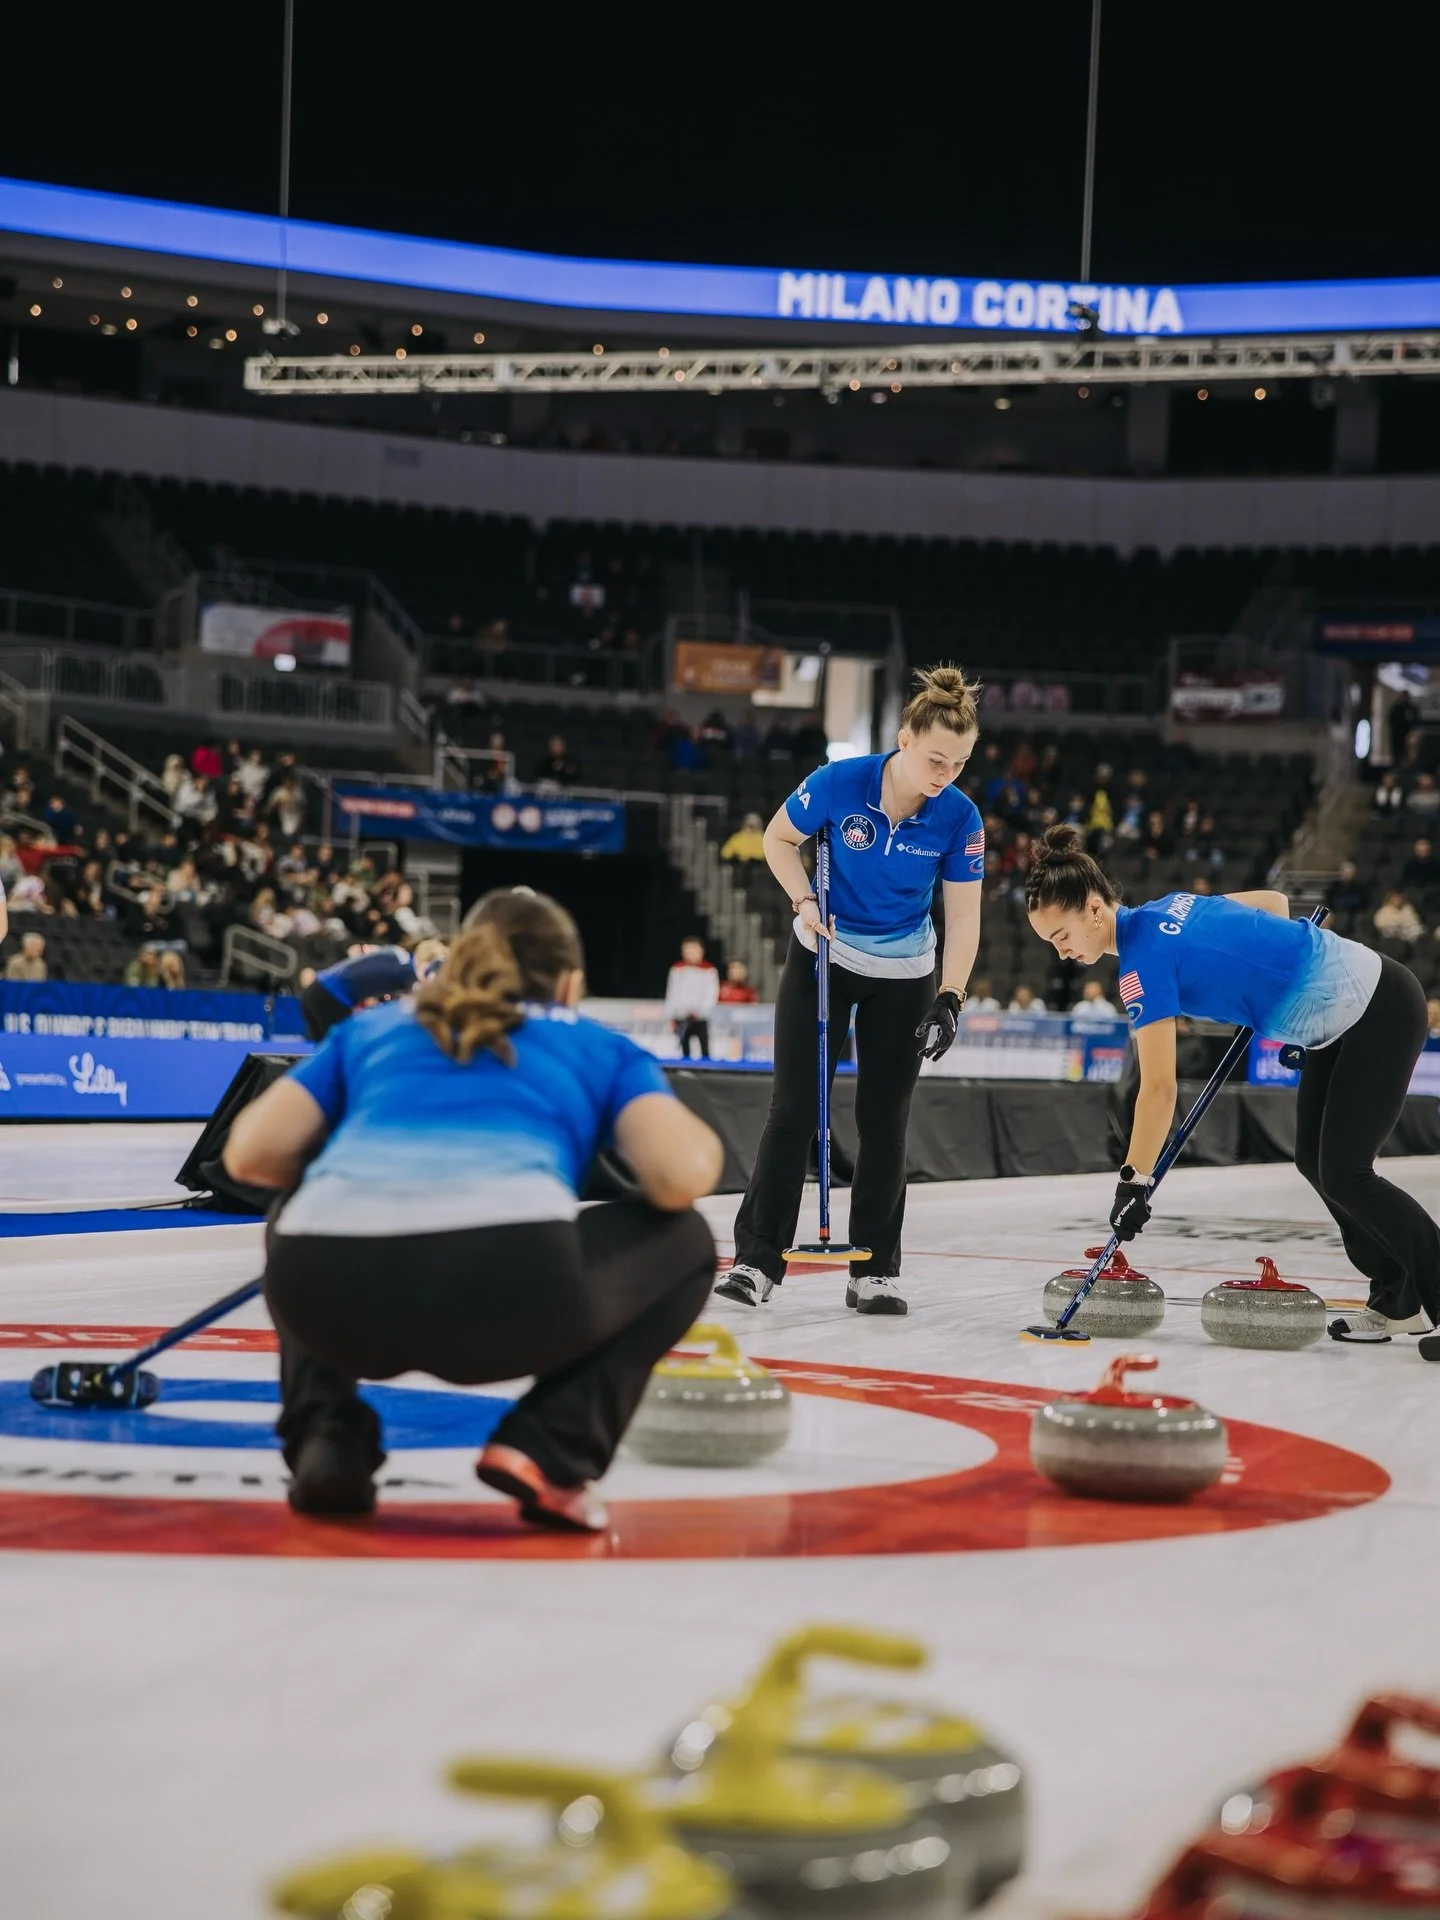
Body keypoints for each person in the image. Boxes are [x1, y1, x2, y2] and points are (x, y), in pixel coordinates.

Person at [221, 888, 723, 1523]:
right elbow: (679, 1178)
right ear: (570, 984)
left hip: (330, 1303)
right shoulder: (594, 1044)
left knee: (301, 1201)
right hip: (505, 1303)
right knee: (688, 1242)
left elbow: (250, 1155)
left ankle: (328, 1440)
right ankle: (550, 1447)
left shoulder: (374, 1028)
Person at [1025, 823, 1440, 1346]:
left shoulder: (1141, 968)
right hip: (1342, 1021)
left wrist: (1133, 1182)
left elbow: (1159, 1089)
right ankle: (1397, 1299)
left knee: (1345, 1172)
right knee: (1314, 1161)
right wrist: (1286, 1002)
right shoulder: (1169, 906)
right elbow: (1274, 903)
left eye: (1061, 936)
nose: (1061, 952)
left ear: (1092, 909)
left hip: (1380, 1009)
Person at [717, 663, 985, 1317]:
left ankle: (875, 1270)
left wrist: (951, 996)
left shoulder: (959, 817)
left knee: (885, 1119)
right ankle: (757, 1261)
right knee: (794, 1110)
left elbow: (964, 918)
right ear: (904, 739)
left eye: (958, 764)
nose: (945, 775)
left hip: (906, 975)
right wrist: (803, 899)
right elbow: (778, 838)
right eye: (935, 760)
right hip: (824, 958)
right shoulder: (840, 783)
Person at [301, 940, 447, 1042]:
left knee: (322, 1050)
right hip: (330, 997)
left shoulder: (395, 952)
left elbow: (356, 951)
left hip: (314, 990)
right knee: (342, 1050)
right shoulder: (409, 972)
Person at [665, 936, 719, 1059]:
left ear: (701, 951)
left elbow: (712, 994)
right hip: (682, 1016)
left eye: (693, 949)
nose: (690, 953)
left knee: (704, 1048)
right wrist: (673, 1014)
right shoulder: (677, 969)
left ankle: (707, 1067)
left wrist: (701, 1011)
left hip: (701, 1016)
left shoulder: (709, 970)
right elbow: (672, 993)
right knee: (684, 1049)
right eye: (686, 949)